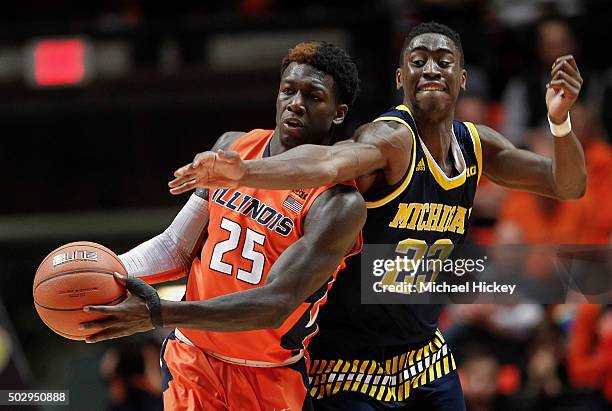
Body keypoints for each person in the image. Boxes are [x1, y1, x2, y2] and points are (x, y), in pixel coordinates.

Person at [169, 21, 587, 410]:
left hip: (424, 355)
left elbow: (567, 184)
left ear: (462, 79)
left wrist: (560, 122)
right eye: (417, 60)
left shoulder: (476, 146)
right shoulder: (388, 139)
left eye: (444, 62)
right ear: (400, 78)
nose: (431, 68)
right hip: (346, 363)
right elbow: (329, 163)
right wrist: (245, 171)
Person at [80, 41, 365, 411]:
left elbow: (274, 304)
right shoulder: (234, 148)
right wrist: (104, 276)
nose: (296, 103)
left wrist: (158, 314)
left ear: (338, 113)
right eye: (288, 90)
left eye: (313, 96)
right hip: (192, 361)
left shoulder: (337, 202)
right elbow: (177, 247)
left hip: (269, 374)